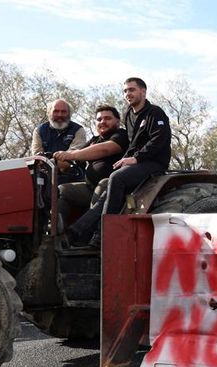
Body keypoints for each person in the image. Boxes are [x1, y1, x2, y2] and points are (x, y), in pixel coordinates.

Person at [69, 78, 171, 248]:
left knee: (117, 178)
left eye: (132, 90)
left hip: (154, 163)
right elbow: (133, 143)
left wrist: (136, 158)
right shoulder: (129, 114)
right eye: (125, 91)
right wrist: (127, 157)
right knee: (109, 186)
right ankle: (78, 231)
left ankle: (103, 234)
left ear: (143, 92)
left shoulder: (155, 113)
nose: (128, 94)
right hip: (137, 162)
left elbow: (159, 140)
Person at [54, 105, 129, 240]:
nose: (102, 122)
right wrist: (53, 159)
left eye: (107, 118)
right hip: (89, 187)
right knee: (62, 190)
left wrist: (72, 155)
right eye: (99, 119)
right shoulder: (94, 140)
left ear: (117, 122)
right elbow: (67, 161)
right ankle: (56, 232)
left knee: (103, 185)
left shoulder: (121, 135)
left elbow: (105, 149)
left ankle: (86, 236)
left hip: (113, 189)